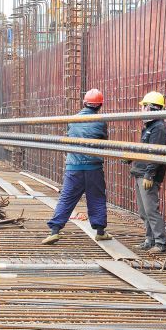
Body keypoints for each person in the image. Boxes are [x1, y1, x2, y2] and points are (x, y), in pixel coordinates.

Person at [41, 89, 112, 245]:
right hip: (94, 167)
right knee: (97, 198)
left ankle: (54, 231)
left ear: (84, 103)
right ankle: (100, 232)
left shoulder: (72, 119)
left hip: (74, 167)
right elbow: (104, 140)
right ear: (100, 105)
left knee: (66, 198)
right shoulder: (101, 121)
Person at [131, 91, 166, 253]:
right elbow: (146, 149)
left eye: (144, 107)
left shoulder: (159, 129)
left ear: (152, 108)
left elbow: (156, 153)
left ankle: (160, 242)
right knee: (143, 211)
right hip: (140, 173)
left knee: (151, 210)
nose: (142, 110)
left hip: (147, 176)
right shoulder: (149, 127)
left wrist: (149, 174)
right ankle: (150, 239)